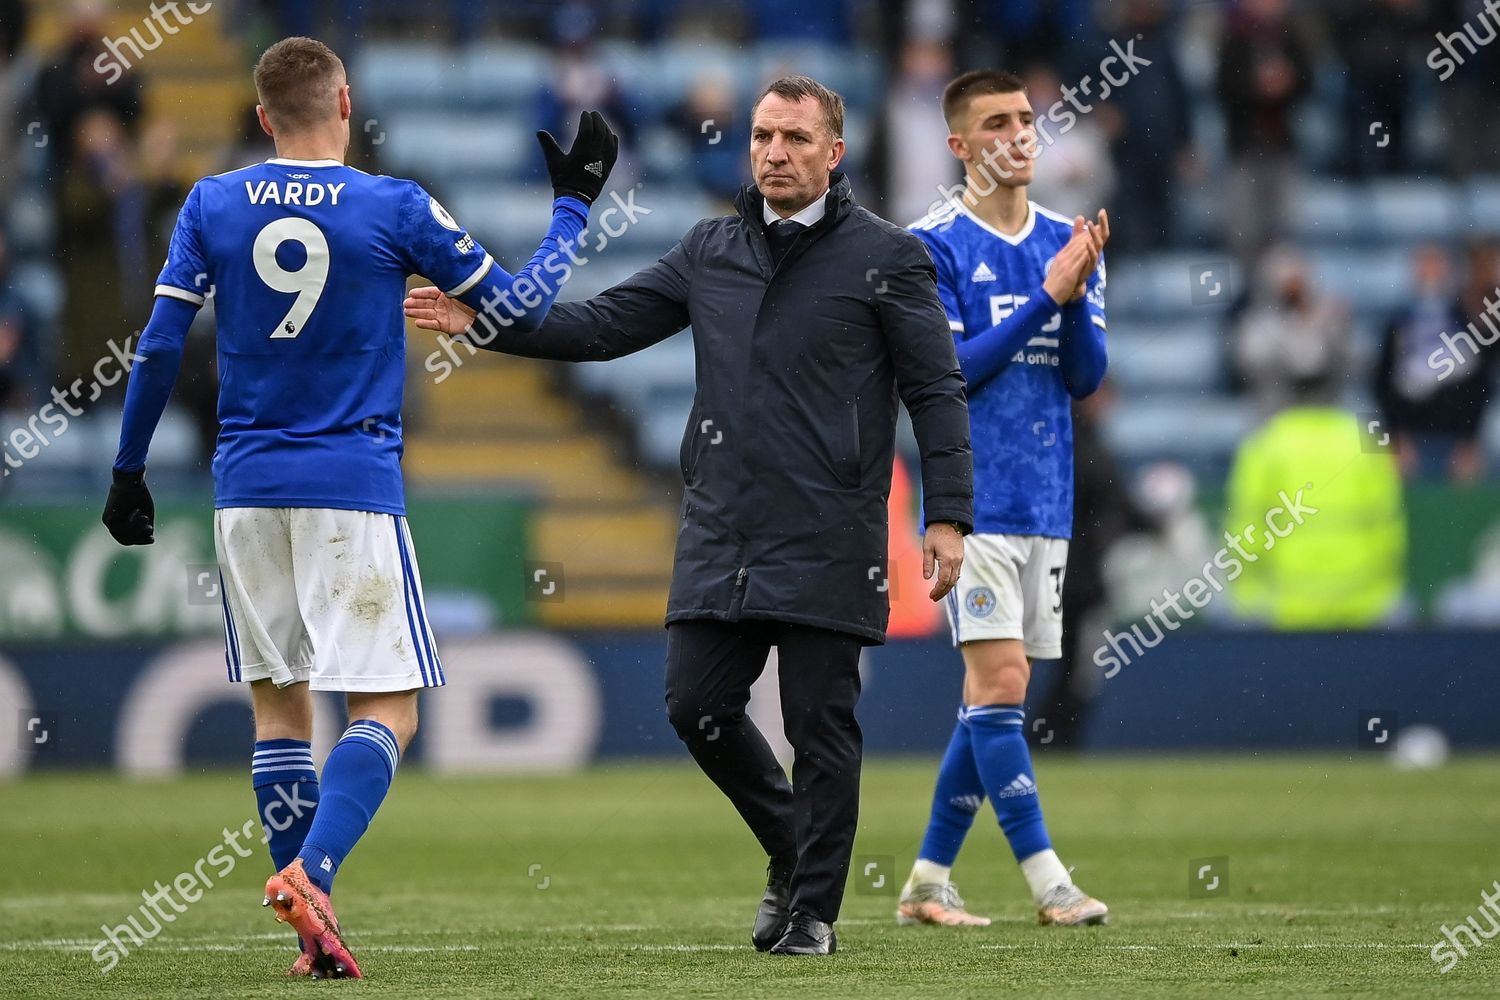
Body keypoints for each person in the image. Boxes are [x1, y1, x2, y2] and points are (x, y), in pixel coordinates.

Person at [405, 75, 974, 956]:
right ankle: (791, 852)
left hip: (832, 526)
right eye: (761, 137)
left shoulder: (888, 256)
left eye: (793, 138)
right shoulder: (710, 248)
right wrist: (484, 323)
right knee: (695, 704)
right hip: (725, 525)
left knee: (821, 727)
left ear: (835, 152)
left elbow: (936, 388)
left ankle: (814, 914)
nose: (774, 153)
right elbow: (597, 327)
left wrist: (949, 516)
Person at [100, 36, 618, 979]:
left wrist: (128, 470)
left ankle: (312, 935)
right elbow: (524, 312)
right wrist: (574, 208)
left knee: (281, 717)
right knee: (388, 710)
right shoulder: (393, 203)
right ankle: (316, 873)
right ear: (344, 103)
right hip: (352, 490)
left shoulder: (212, 201)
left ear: (262, 117)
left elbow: (159, 345)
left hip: (244, 490)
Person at [896, 69, 1110, 929]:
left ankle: (926, 882)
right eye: (996, 123)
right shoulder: (930, 246)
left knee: (995, 697)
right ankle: (1050, 880)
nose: (1021, 134)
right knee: (1003, 678)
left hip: (1047, 495)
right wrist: (1051, 296)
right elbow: (955, 371)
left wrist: (1082, 295)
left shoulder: (1068, 237)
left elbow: (1086, 379)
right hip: (970, 495)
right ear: (959, 146)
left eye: (1026, 119)